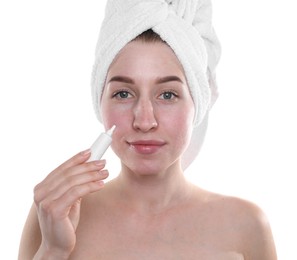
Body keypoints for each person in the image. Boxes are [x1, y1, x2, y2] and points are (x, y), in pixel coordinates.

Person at [18, 0, 277, 259]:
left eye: (167, 95)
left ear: (197, 103)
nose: (144, 121)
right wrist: (53, 250)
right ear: (100, 103)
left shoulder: (246, 226)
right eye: (123, 93)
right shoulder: (54, 212)